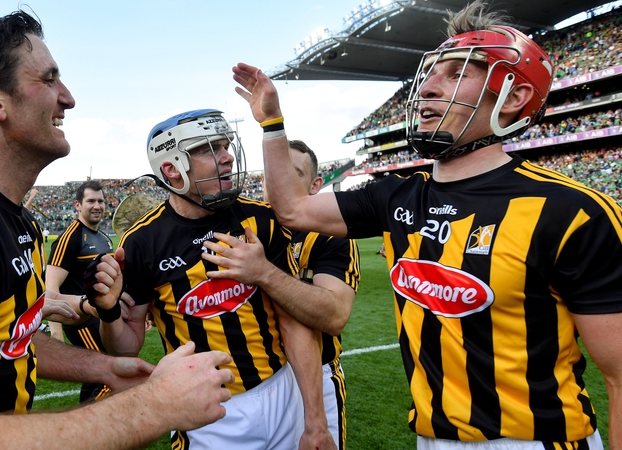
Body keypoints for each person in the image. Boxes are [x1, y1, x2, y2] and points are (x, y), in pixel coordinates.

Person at [233, 1, 622, 448]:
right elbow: (292, 209)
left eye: (457, 74)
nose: (430, 86)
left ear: (513, 98)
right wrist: (272, 124)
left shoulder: (572, 211)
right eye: (432, 72)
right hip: (432, 436)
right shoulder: (397, 195)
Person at [0, 11, 233, 450]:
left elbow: (8, 338)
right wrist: (156, 406)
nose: (68, 98)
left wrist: (102, 368)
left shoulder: (14, 219)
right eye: (49, 79)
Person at [96, 109, 332, 449]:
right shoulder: (141, 242)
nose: (227, 157)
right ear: (172, 169)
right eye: (209, 149)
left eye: (225, 146)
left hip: (282, 390)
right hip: (206, 408)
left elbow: (293, 322)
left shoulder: (260, 218)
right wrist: (108, 312)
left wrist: (316, 421)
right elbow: (126, 346)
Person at [201, 139, 359, 449]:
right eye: (273, 172)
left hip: (317, 372)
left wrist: (264, 272)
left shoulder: (330, 237)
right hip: (258, 381)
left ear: (315, 185)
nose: (279, 181)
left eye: (292, 173)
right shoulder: (240, 228)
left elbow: (334, 315)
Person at [46, 179, 115, 402]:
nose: (97, 206)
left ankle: (88, 413)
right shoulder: (71, 237)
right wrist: (55, 333)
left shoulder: (105, 238)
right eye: (91, 201)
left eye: (101, 201)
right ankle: (93, 419)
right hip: (80, 321)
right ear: (78, 205)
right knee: (108, 373)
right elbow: (50, 287)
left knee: (96, 376)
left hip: (100, 317)